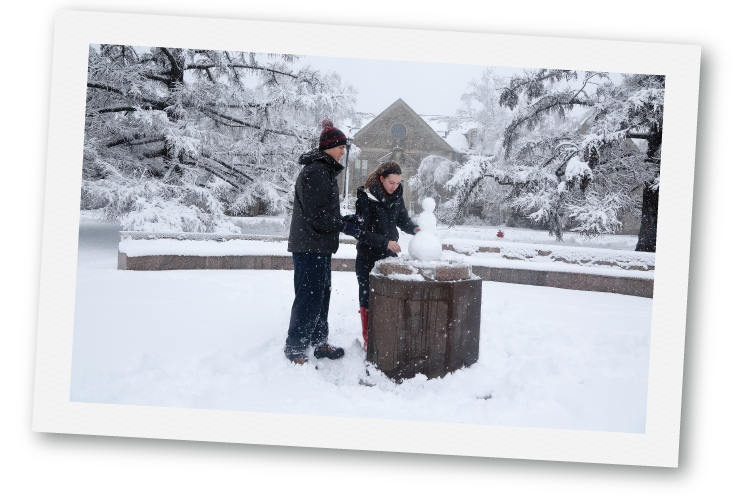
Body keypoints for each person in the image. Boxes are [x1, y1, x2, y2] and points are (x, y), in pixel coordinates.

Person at [285, 118, 362, 365]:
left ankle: (318, 342)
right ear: (330, 146)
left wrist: (344, 219)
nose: (343, 151)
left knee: (320, 294)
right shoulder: (317, 171)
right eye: (341, 147)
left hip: (316, 245)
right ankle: (295, 347)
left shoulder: (322, 170)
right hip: (310, 246)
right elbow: (317, 215)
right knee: (309, 296)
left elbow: (321, 211)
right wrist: (343, 225)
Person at [354, 162, 420, 351]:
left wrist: (416, 229)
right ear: (381, 179)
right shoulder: (366, 198)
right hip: (368, 255)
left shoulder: (397, 197)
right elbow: (360, 232)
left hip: (389, 256)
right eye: (391, 182)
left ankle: (386, 333)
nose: (395, 187)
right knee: (367, 297)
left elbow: (403, 219)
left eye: (398, 183)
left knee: (390, 294)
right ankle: (369, 339)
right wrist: (385, 241)